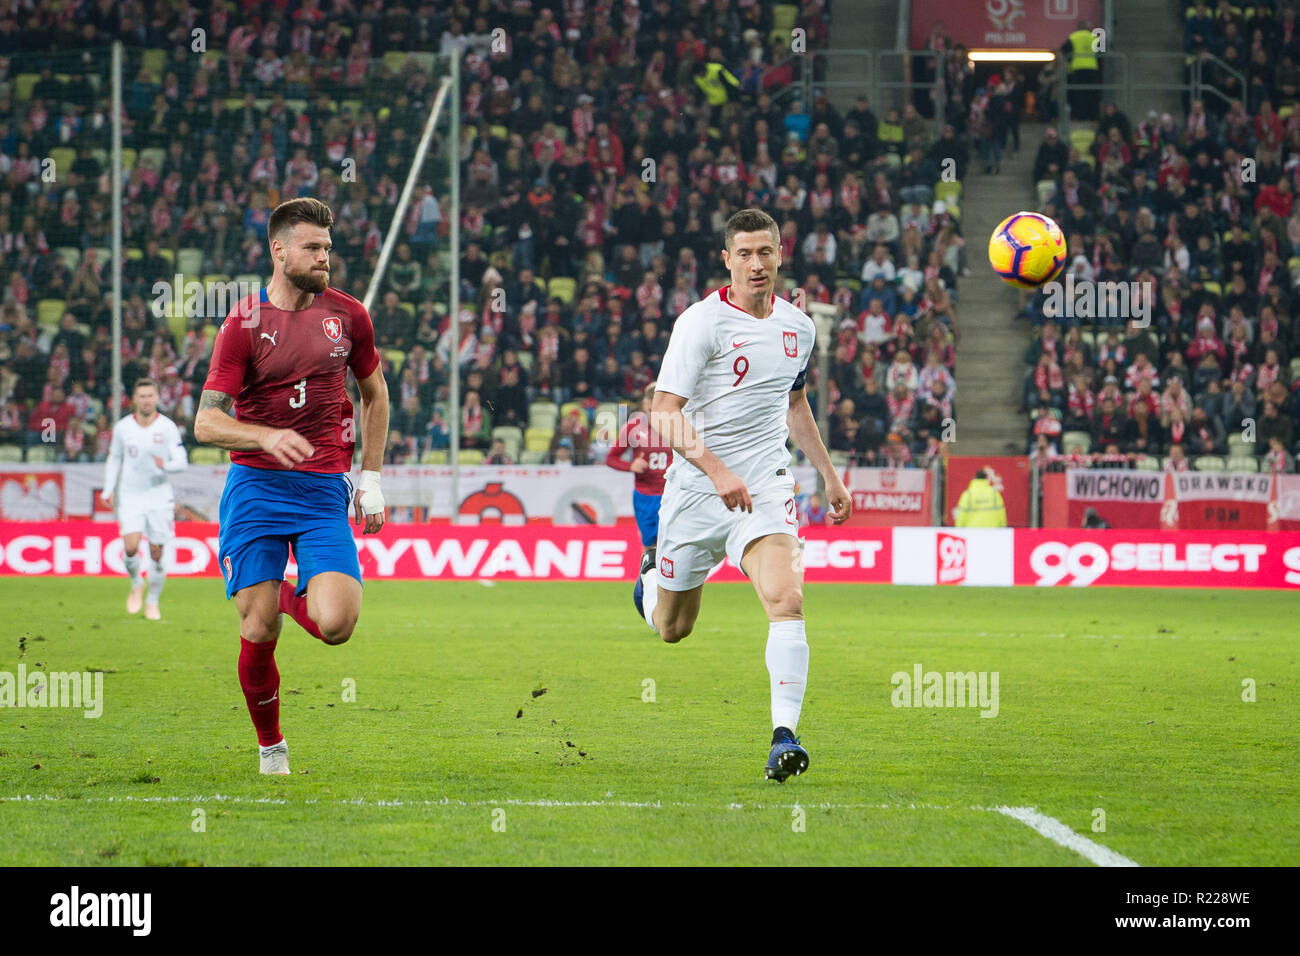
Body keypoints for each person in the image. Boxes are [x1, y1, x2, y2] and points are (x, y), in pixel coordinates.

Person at [632, 208, 852, 782]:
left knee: (787, 599)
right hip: (696, 493)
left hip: (763, 488)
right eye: (744, 254)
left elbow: (794, 404)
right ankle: (651, 579)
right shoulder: (700, 323)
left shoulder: (799, 328)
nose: (756, 264)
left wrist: (829, 475)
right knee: (673, 629)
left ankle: (784, 737)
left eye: (765, 253)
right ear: (727, 260)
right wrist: (715, 470)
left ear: (780, 255)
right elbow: (663, 412)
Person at [194, 198, 389, 776]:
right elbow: (207, 422)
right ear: (279, 250)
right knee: (259, 627)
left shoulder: (349, 316)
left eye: (328, 247)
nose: (325, 256)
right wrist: (262, 435)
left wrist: (371, 480)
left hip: (323, 488)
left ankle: (279, 587)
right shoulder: (242, 324)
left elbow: (376, 395)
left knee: (337, 626)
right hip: (256, 487)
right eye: (313, 247)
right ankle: (271, 745)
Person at [102, 378, 188, 620]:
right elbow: (115, 458)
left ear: (157, 398)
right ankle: (136, 583)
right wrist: (108, 489)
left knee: (156, 553)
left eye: (150, 395)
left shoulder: (168, 427)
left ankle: (152, 600)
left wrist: (166, 466)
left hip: (159, 496)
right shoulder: (122, 428)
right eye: (142, 396)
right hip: (130, 494)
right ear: (134, 399)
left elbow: (182, 462)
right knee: (130, 547)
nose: (146, 400)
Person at [606, 383, 673, 557]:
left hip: (671, 494)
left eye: (657, 410)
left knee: (669, 545)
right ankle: (648, 583)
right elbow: (611, 458)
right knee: (650, 549)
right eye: (650, 410)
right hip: (645, 495)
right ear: (644, 406)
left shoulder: (677, 427)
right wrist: (631, 466)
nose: (654, 415)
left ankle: (669, 583)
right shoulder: (632, 428)